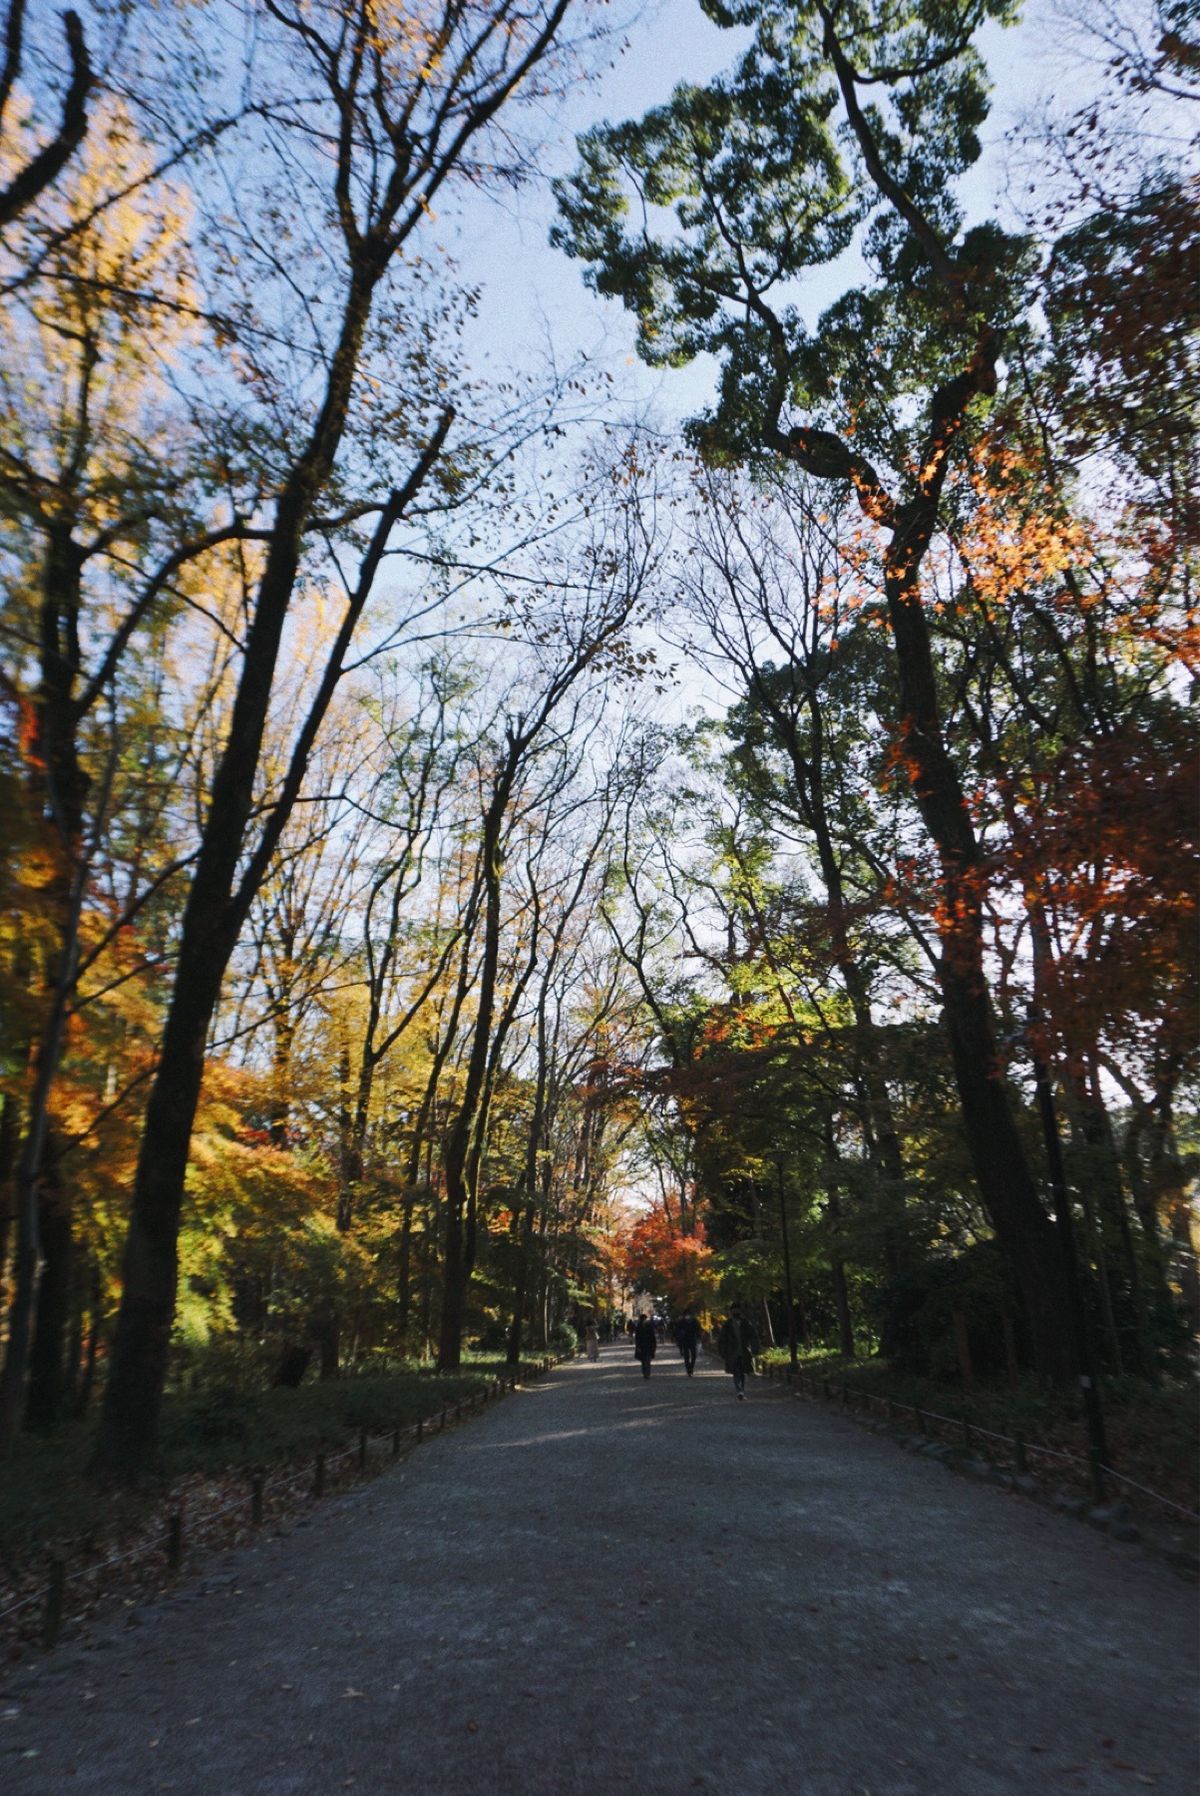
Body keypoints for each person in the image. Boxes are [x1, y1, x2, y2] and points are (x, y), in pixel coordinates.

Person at [717, 1301, 760, 1399]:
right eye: (734, 1309)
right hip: (732, 1352)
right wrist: (722, 1351)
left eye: (737, 1309)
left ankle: (741, 1390)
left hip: (744, 1351)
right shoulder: (727, 1325)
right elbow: (722, 1339)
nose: (736, 1311)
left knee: (742, 1372)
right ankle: (739, 1390)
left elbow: (753, 1336)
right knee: (736, 1372)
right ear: (731, 1311)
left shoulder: (746, 1323)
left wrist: (754, 1348)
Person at [673, 1309, 702, 1376]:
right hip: (685, 1340)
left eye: (688, 1315)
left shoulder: (695, 1321)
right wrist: (678, 1336)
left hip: (692, 1339)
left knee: (694, 1355)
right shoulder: (681, 1322)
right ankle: (688, 1369)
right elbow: (677, 1330)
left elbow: (698, 1329)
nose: (687, 1316)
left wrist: (699, 1336)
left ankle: (691, 1367)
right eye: (686, 1315)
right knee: (686, 1356)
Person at [633, 1312, 657, 1379]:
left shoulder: (649, 1327)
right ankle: (645, 1372)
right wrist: (638, 1346)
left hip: (648, 1346)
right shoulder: (639, 1327)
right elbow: (637, 1338)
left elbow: (653, 1337)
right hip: (642, 1346)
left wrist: (654, 1345)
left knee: (647, 1360)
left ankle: (647, 1373)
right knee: (644, 1361)